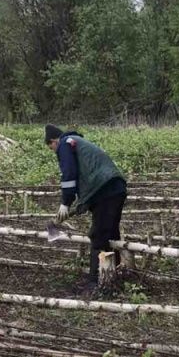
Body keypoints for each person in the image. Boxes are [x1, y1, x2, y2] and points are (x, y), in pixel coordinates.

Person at [45, 124, 128, 290]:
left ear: (54, 141)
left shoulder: (64, 144)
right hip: (115, 187)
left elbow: (69, 174)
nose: (53, 151)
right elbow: (86, 177)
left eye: (51, 147)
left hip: (105, 189)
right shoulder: (77, 141)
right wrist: (82, 204)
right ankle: (114, 274)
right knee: (111, 234)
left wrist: (65, 203)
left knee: (97, 236)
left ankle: (95, 282)